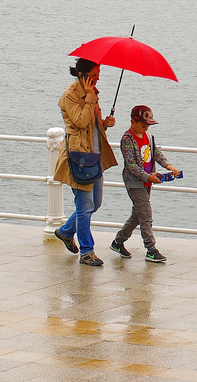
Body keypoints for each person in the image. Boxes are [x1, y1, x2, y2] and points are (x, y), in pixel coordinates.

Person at [55, 58, 118, 266]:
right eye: (94, 75)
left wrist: (104, 124)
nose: (98, 78)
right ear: (82, 75)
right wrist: (90, 97)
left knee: (95, 203)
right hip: (79, 156)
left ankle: (65, 231)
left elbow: (91, 124)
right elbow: (80, 121)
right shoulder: (70, 96)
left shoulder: (93, 93)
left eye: (99, 74)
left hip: (96, 156)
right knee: (84, 206)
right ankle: (87, 251)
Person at [111, 104, 181, 263]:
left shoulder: (149, 137)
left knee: (137, 216)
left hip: (148, 181)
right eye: (142, 125)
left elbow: (156, 153)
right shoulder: (127, 139)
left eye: (147, 126)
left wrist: (168, 166)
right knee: (146, 216)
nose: (145, 129)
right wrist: (148, 177)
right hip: (135, 183)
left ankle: (118, 242)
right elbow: (131, 165)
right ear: (132, 121)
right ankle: (151, 249)